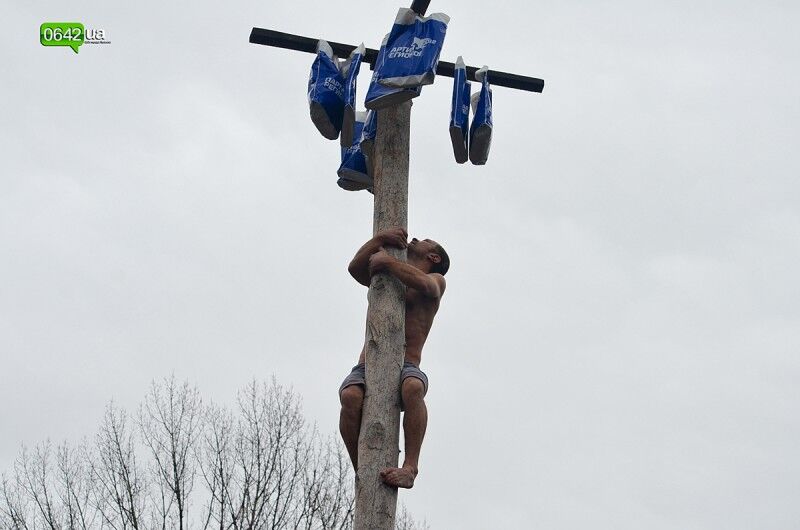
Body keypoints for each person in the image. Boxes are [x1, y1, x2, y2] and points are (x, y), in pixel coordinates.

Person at [338, 227, 449, 489]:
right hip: (368, 363)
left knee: (413, 387)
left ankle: (410, 467)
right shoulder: (387, 277)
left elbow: (427, 286)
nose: (416, 239)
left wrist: (387, 261)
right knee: (350, 396)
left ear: (433, 257)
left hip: (406, 365)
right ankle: (361, 470)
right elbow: (355, 269)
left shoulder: (435, 279)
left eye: (426, 241)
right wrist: (379, 240)